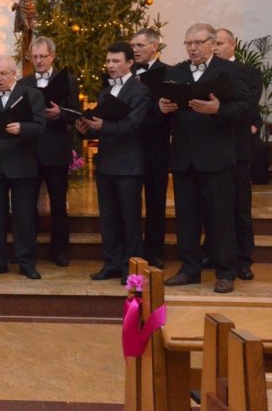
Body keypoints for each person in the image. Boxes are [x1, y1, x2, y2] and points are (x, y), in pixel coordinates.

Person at [158, 23, 252, 294]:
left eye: (198, 42)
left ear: (212, 44)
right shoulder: (175, 72)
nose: (193, 48)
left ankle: (225, 272)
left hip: (217, 157)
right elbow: (159, 109)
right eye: (188, 43)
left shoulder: (229, 71)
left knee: (221, 218)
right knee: (186, 217)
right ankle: (190, 269)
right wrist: (161, 107)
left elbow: (246, 108)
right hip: (184, 158)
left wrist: (218, 108)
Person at [75, 42, 150, 284]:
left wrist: (103, 126)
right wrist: (86, 130)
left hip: (129, 164)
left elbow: (134, 125)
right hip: (107, 163)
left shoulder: (140, 91)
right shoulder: (105, 92)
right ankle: (112, 264)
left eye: (116, 61)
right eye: (108, 61)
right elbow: (101, 125)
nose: (110, 65)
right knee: (108, 218)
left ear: (130, 63)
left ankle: (132, 267)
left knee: (130, 219)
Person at [0, 55, 46, 280]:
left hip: (21, 163)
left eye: (3, 74)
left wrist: (22, 128)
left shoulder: (32, 95)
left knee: (24, 216)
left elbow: (40, 126)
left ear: (14, 72)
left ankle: (26, 262)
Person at [20, 36, 80, 267]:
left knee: (58, 203)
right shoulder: (24, 83)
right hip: (30, 151)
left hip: (56, 149)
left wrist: (60, 114)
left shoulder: (67, 80)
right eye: (34, 57)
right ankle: (28, 249)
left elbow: (75, 113)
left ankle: (60, 250)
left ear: (52, 56)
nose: (38, 61)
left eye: (42, 56)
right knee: (28, 204)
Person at [212, 28, 262, 281]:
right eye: (213, 43)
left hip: (238, 148)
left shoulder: (248, 72)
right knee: (214, 206)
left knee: (240, 206)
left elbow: (248, 106)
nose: (215, 48)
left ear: (232, 44)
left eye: (220, 43)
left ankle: (243, 259)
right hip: (211, 149)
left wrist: (218, 108)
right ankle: (214, 253)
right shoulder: (206, 72)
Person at [130, 28, 171, 269]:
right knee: (130, 202)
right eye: (133, 46)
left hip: (156, 146)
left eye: (140, 45)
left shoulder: (168, 73)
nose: (135, 50)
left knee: (156, 202)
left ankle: (155, 251)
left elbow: (170, 110)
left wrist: (158, 109)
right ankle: (133, 251)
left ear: (154, 46)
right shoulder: (127, 72)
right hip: (131, 146)